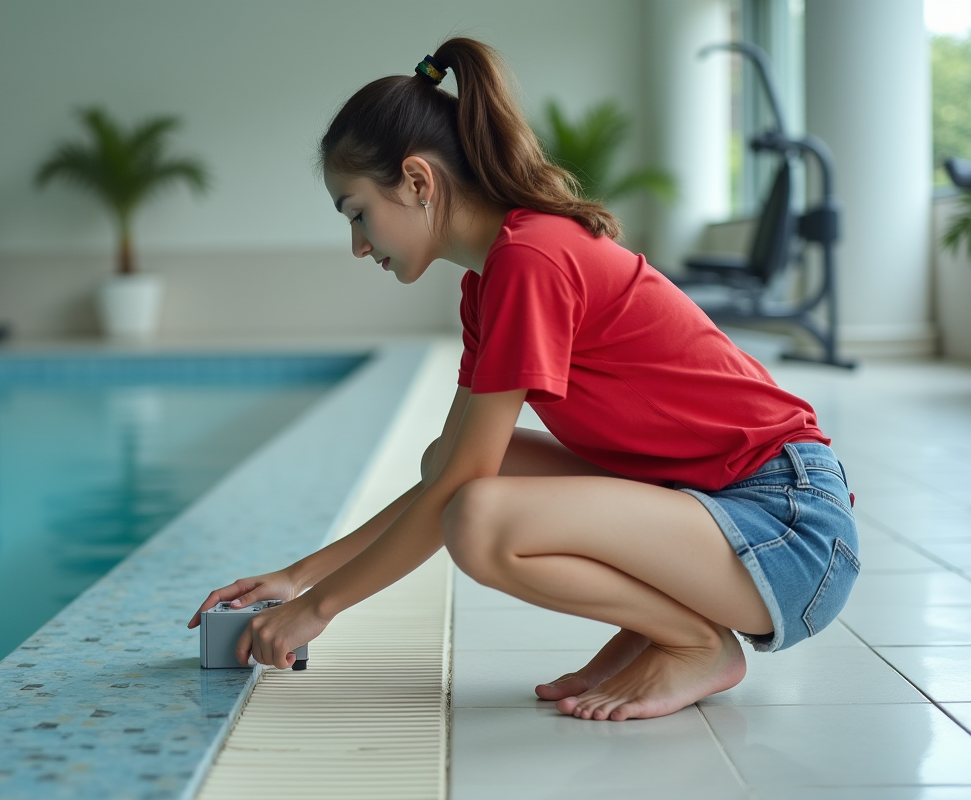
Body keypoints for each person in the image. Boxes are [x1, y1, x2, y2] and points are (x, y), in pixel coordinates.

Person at [187, 37, 860, 721]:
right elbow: (452, 467)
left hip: (790, 528)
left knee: (477, 519)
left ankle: (692, 642)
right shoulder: (490, 282)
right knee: (452, 463)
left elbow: (460, 495)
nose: (359, 244)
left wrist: (316, 609)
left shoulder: (531, 258)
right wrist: (301, 576)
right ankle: (670, 631)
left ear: (417, 181)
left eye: (358, 212)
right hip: (720, 506)